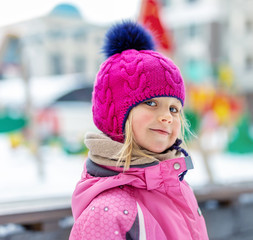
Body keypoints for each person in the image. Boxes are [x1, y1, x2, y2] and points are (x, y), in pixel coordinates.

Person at [69, 21, 209, 240]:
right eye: (152, 103)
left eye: (174, 109)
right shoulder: (107, 213)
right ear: (115, 116)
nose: (167, 117)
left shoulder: (177, 188)